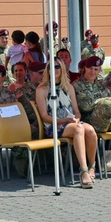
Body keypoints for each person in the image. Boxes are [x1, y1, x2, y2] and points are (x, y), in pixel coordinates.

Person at [35, 59, 99, 188]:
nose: (55, 69)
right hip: (53, 125)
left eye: (58, 67)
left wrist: (76, 118)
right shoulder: (42, 89)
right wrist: (65, 121)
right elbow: (44, 116)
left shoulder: (69, 87)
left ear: (63, 69)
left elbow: (76, 111)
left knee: (90, 130)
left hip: (71, 122)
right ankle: (83, 171)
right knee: (78, 129)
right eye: (51, 67)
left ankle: (92, 166)